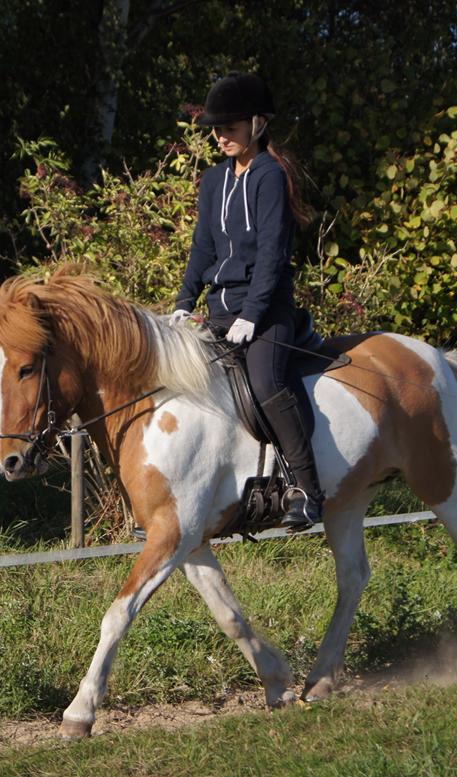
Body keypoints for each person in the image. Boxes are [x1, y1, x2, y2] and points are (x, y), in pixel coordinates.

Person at [170, 72, 324, 531]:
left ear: (257, 125)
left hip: (267, 310)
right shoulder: (213, 180)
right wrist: (184, 300)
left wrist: (253, 315)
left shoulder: (270, 176)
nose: (220, 138)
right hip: (220, 309)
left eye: (230, 130)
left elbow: (274, 255)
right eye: (216, 131)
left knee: (265, 383)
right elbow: (203, 248)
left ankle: (307, 490)